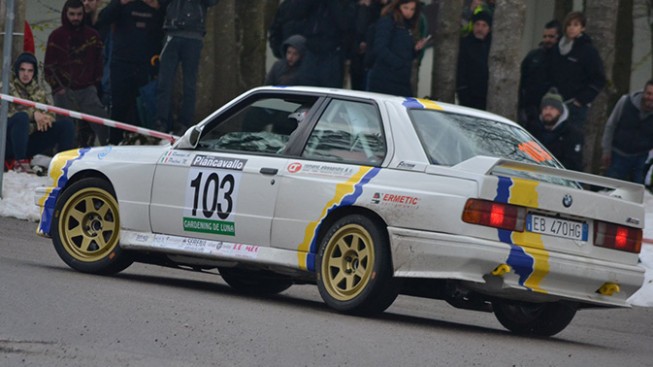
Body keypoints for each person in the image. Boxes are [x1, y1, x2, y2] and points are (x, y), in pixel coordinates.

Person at [44, 0, 109, 146]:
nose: (75, 18)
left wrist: (95, 84)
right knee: (65, 131)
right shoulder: (56, 36)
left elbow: (100, 62)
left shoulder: (93, 36)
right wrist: (57, 88)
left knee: (103, 124)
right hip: (64, 91)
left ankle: (109, 152)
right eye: (72, 14)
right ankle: (62, 159)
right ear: (65, 14)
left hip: (87, 91)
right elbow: (48, 66)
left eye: (79, 14)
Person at [99, 0, 164, 144]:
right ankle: (114, 142)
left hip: (146, 65)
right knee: (119, 106)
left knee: (142, 108)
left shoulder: (154, 4)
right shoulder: (122, 4)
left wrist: (157, 6)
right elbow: (103, 18)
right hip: (121, 63)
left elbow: (165, 24)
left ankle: (142, 140)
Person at [155, 0, 220, 135]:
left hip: (192, 34)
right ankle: (162, 122)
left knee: (188, 84)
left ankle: (184, 123)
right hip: (174, 32)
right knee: (165, 83)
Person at [3, 53, 74, 173]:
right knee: (22, 118)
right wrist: (33, 114)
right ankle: (20, 163)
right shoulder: (6, 87)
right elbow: (7, 114)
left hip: (31, 139)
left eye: (30, 71)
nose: (26, 74)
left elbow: (51, 114)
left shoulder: (41, 91)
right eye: (22, 70)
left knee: (66, 125)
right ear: (17, 70)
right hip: (8, 142)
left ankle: (63, 166)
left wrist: (45, 119)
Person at [549, 11, 606, 130]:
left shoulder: (588, 51)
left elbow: (599, 78)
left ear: (582, 28)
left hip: (575, 105)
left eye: (575, 25)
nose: (571, 28)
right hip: (555, 102)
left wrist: (581, 100)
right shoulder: (557, 48)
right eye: (569, 25)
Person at [366, 0, 429, 97]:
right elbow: (380, 48)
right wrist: (398, 63)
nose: (409, 12)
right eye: (406, 8)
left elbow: (404, 51)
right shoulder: (388, 21)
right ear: (398, 7)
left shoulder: (407, 26)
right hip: (385, 77)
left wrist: (415, 50)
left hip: (400, 77)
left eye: (412, 9)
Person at [289, 0, 355, 88]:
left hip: (332, 53)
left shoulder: (347, 3)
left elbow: (344, 23)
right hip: (311, 51)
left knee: (329, 90)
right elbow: (296, 13)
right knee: (307, 89)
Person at [601, 80, 653, 184]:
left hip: (641, 158)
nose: (651, 98)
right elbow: (611, 125)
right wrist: (606, 150)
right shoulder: (625, 102)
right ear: (643, 92)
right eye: (649, 93)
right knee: (611, 189)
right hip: (618, 155)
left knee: (638, 193)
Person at [527, 88, 583, 172]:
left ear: (560, 112)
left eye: (552, 109)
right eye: (545, 108)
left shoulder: (572, 134)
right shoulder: (532, 130)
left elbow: (573, 163)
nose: (548, 112)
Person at [518, 20, 561, 125]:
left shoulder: (562, 58)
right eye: (545, 36)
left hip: (553, 108)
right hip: (531, 108)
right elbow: (522, 79)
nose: (547, 40)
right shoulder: (534, 56)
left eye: (551, 37)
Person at [456, 10, 492, 110]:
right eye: (477, 24)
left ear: (489, 29)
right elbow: (461, 69)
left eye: (484, 25)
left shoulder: (493, 46)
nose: (480, 28)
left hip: (487, 96)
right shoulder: (465, 44)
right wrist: (462, 90)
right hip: (468, 95)